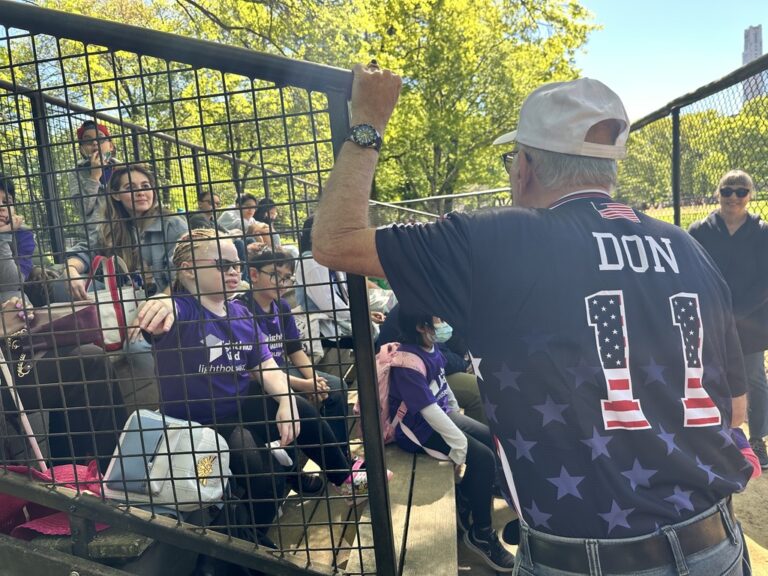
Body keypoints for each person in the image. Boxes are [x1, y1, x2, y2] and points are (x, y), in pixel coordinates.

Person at [312, 64, 753, 575]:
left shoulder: (496, 240)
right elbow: (735, 409)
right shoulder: (688, 247)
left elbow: (334, 240)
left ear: (524, 167)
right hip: (716, 546)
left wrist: (367, 121)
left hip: (585, 561)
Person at [135, 229, 389, 532]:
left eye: (236, 265)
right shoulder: (184, 309)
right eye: (222, 264)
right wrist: (162, 301)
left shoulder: (240, 312)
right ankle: (249, 543)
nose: (233, 271)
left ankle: (344, 479)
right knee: (262, 476)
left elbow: (265, 365)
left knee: (300, 408)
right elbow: (166, 311)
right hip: (199, 425)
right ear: (188, 269)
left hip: (242, 405)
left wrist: (284, 401)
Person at [389, 311, 514, 571]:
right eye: (437, 318)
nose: (443, 322)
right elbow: (427, 411)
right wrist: (459, 444)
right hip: (417, 433)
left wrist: (456, 414)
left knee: (491, 443)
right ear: (421, 326)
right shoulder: (407, 362)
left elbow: (442, 386)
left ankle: (467, 497)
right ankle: (481, 533)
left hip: (440, 417)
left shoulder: (430, 348)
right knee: (481, 457)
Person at [62, 163, 187, 377]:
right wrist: (71, 272)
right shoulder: (112, 227)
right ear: (116, 195)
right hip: (131, 305)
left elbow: (182, 278)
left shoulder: (172, 224)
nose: (140, 192)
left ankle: (166, 401)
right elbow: (83, 252)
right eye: (130, 187)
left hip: (171, 301)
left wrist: (149, 312)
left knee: (136, 346)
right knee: (66, 284)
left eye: (145, 185)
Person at [689, 169, 768, 470]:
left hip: (751, 321)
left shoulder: (762, 232)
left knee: (753, 378)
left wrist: (735, 314)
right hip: (710, 316)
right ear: (717, 193)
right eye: (727, 190)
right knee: (709, 374)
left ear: (751, 196)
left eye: (741, 191)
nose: (733, 197)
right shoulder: (700, 230)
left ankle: (758, 438)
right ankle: (715, 435)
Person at [237, 247, 350, 451]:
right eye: (275, 275)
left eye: (288, 277)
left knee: (335, 387)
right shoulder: (241, 310)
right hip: (259, 379)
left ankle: (340, 457)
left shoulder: (281, 307)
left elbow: (295, 350)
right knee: (298, 402)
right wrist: (303, 385)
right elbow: (252, 371)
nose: (283, 283)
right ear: (253, 274)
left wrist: (313, 380)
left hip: (284, 370)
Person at [0, 296, 126, 472]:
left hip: (11, 350)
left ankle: (67, 474)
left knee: (90, 359)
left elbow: (13, 286)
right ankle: (115, 475)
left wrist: (19, 306)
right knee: (88, 364)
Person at [378, 303, 486, 425]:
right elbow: (441, 360)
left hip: (433, 368)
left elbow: (454, 340)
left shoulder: (429, 298)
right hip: (414, 379)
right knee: (478, 389)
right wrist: (465, 363)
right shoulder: (420, 307)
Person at [66, 120, 119, 236]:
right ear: (81, 149)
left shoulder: (124, 169)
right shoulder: (76, 173)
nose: (95, 143)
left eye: (100, 138)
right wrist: (94, 176)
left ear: (110, 146)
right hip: (94, 236)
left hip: (124, 230)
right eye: (88, 141)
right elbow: (83, 209)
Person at [0, 174, 35, 301]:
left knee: (17, 299)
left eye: (6, 202)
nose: (2, 207)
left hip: (5, 295)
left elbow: (13, 283)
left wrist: (2, 235)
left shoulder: (24, 234)